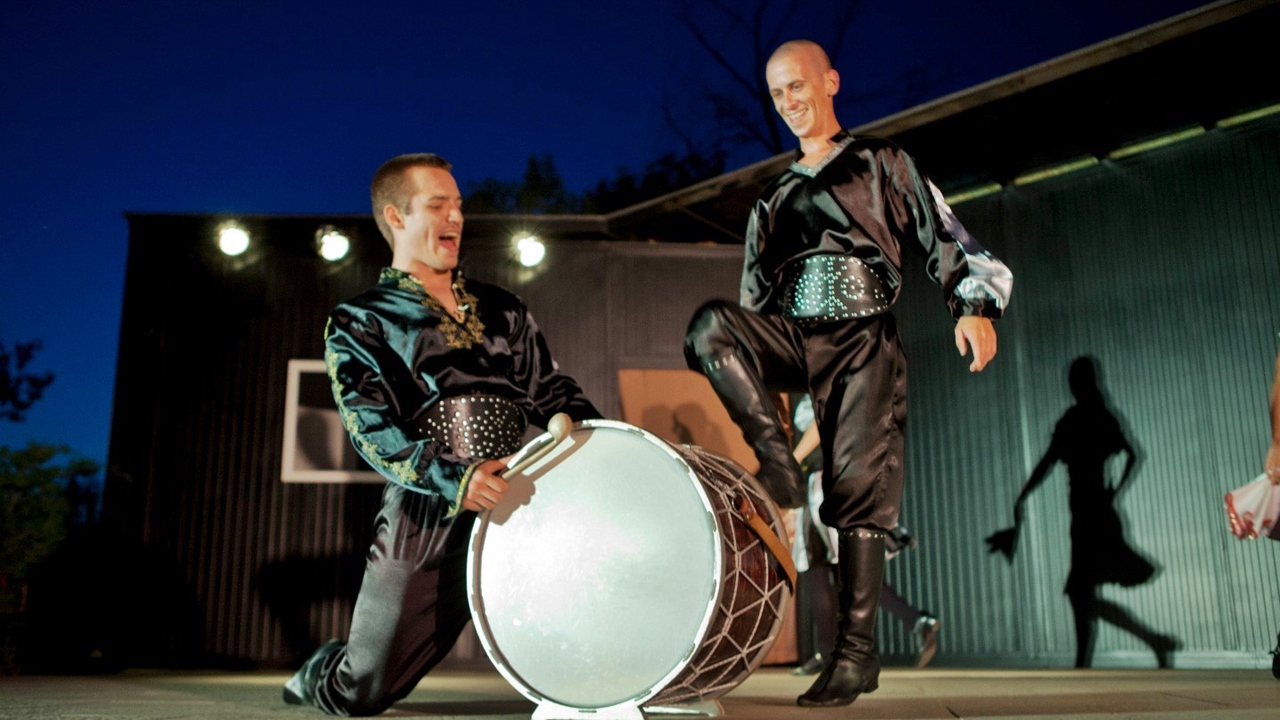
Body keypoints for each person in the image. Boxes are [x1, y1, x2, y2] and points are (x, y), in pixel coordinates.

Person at [684, 40, 1011, 708]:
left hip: (862, 335)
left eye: (798, 86)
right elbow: (754, 305)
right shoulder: (772, 199)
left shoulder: (881, 162)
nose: (788, 102)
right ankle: (779, 467)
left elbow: (946, 233)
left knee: (857, 484)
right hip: (795, 336)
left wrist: (972, 306)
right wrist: (774, 414)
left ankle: (857, 653)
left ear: (830, 82)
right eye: (777, 94)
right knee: (710, 327)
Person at [282, 153, 601, 716]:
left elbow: (551, 390)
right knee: (364, 692)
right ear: (396, 217)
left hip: (519, 493)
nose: (456, 217)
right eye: (437, 205)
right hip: (429, 505)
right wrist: (454, 478)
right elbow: (370, 426)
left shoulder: (504, 308)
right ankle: (323, 671)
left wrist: (594, 431)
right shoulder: (361, 320)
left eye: (458, 205)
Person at [986, 356, 1177, 669]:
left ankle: (1107, 655)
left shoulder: (1075, 420)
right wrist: (1115, 491)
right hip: (1095, 514)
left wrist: (1023, 494)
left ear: (1078, 384)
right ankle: (1132, 647)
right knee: (1081, 593)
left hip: (1089, 518)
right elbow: (1131, 455)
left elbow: (1048, 462)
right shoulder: (1100, 417)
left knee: (1080, 593)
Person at [787, 398, 939, 676]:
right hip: (827, 483)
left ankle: (834, 654)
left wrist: (791, 461)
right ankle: (913, 622)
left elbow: (821, 426)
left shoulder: (825, 390)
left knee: (831, 570)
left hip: (827, 486)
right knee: (829, 571)